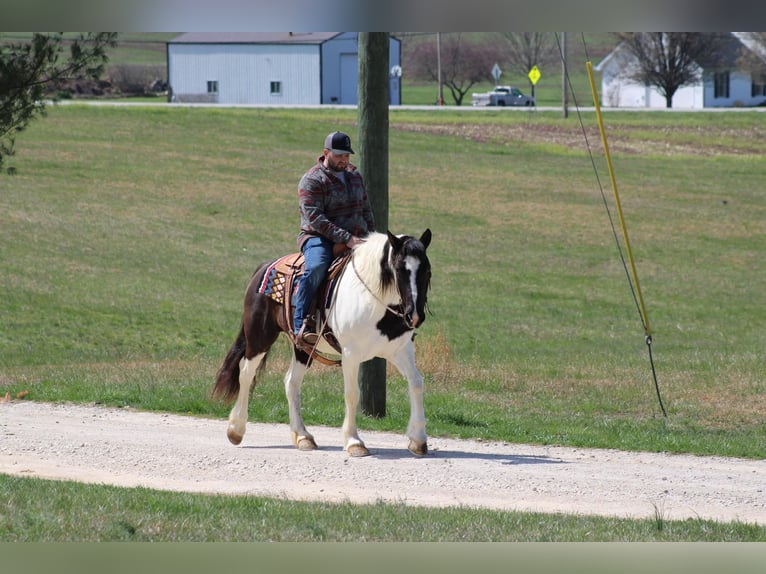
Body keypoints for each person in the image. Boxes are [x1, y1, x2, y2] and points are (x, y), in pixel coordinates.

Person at [292, 131, 375, 349]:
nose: (344, 160)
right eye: (339, 155)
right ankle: (302, 324)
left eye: (347, 156)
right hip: (318, 237)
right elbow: (316, 219)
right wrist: (347, 239)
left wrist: (373, 238)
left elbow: (365, 209)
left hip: (356, 237)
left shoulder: (355, 176)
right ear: (326, 153)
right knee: (317, 267)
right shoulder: (311, 180)